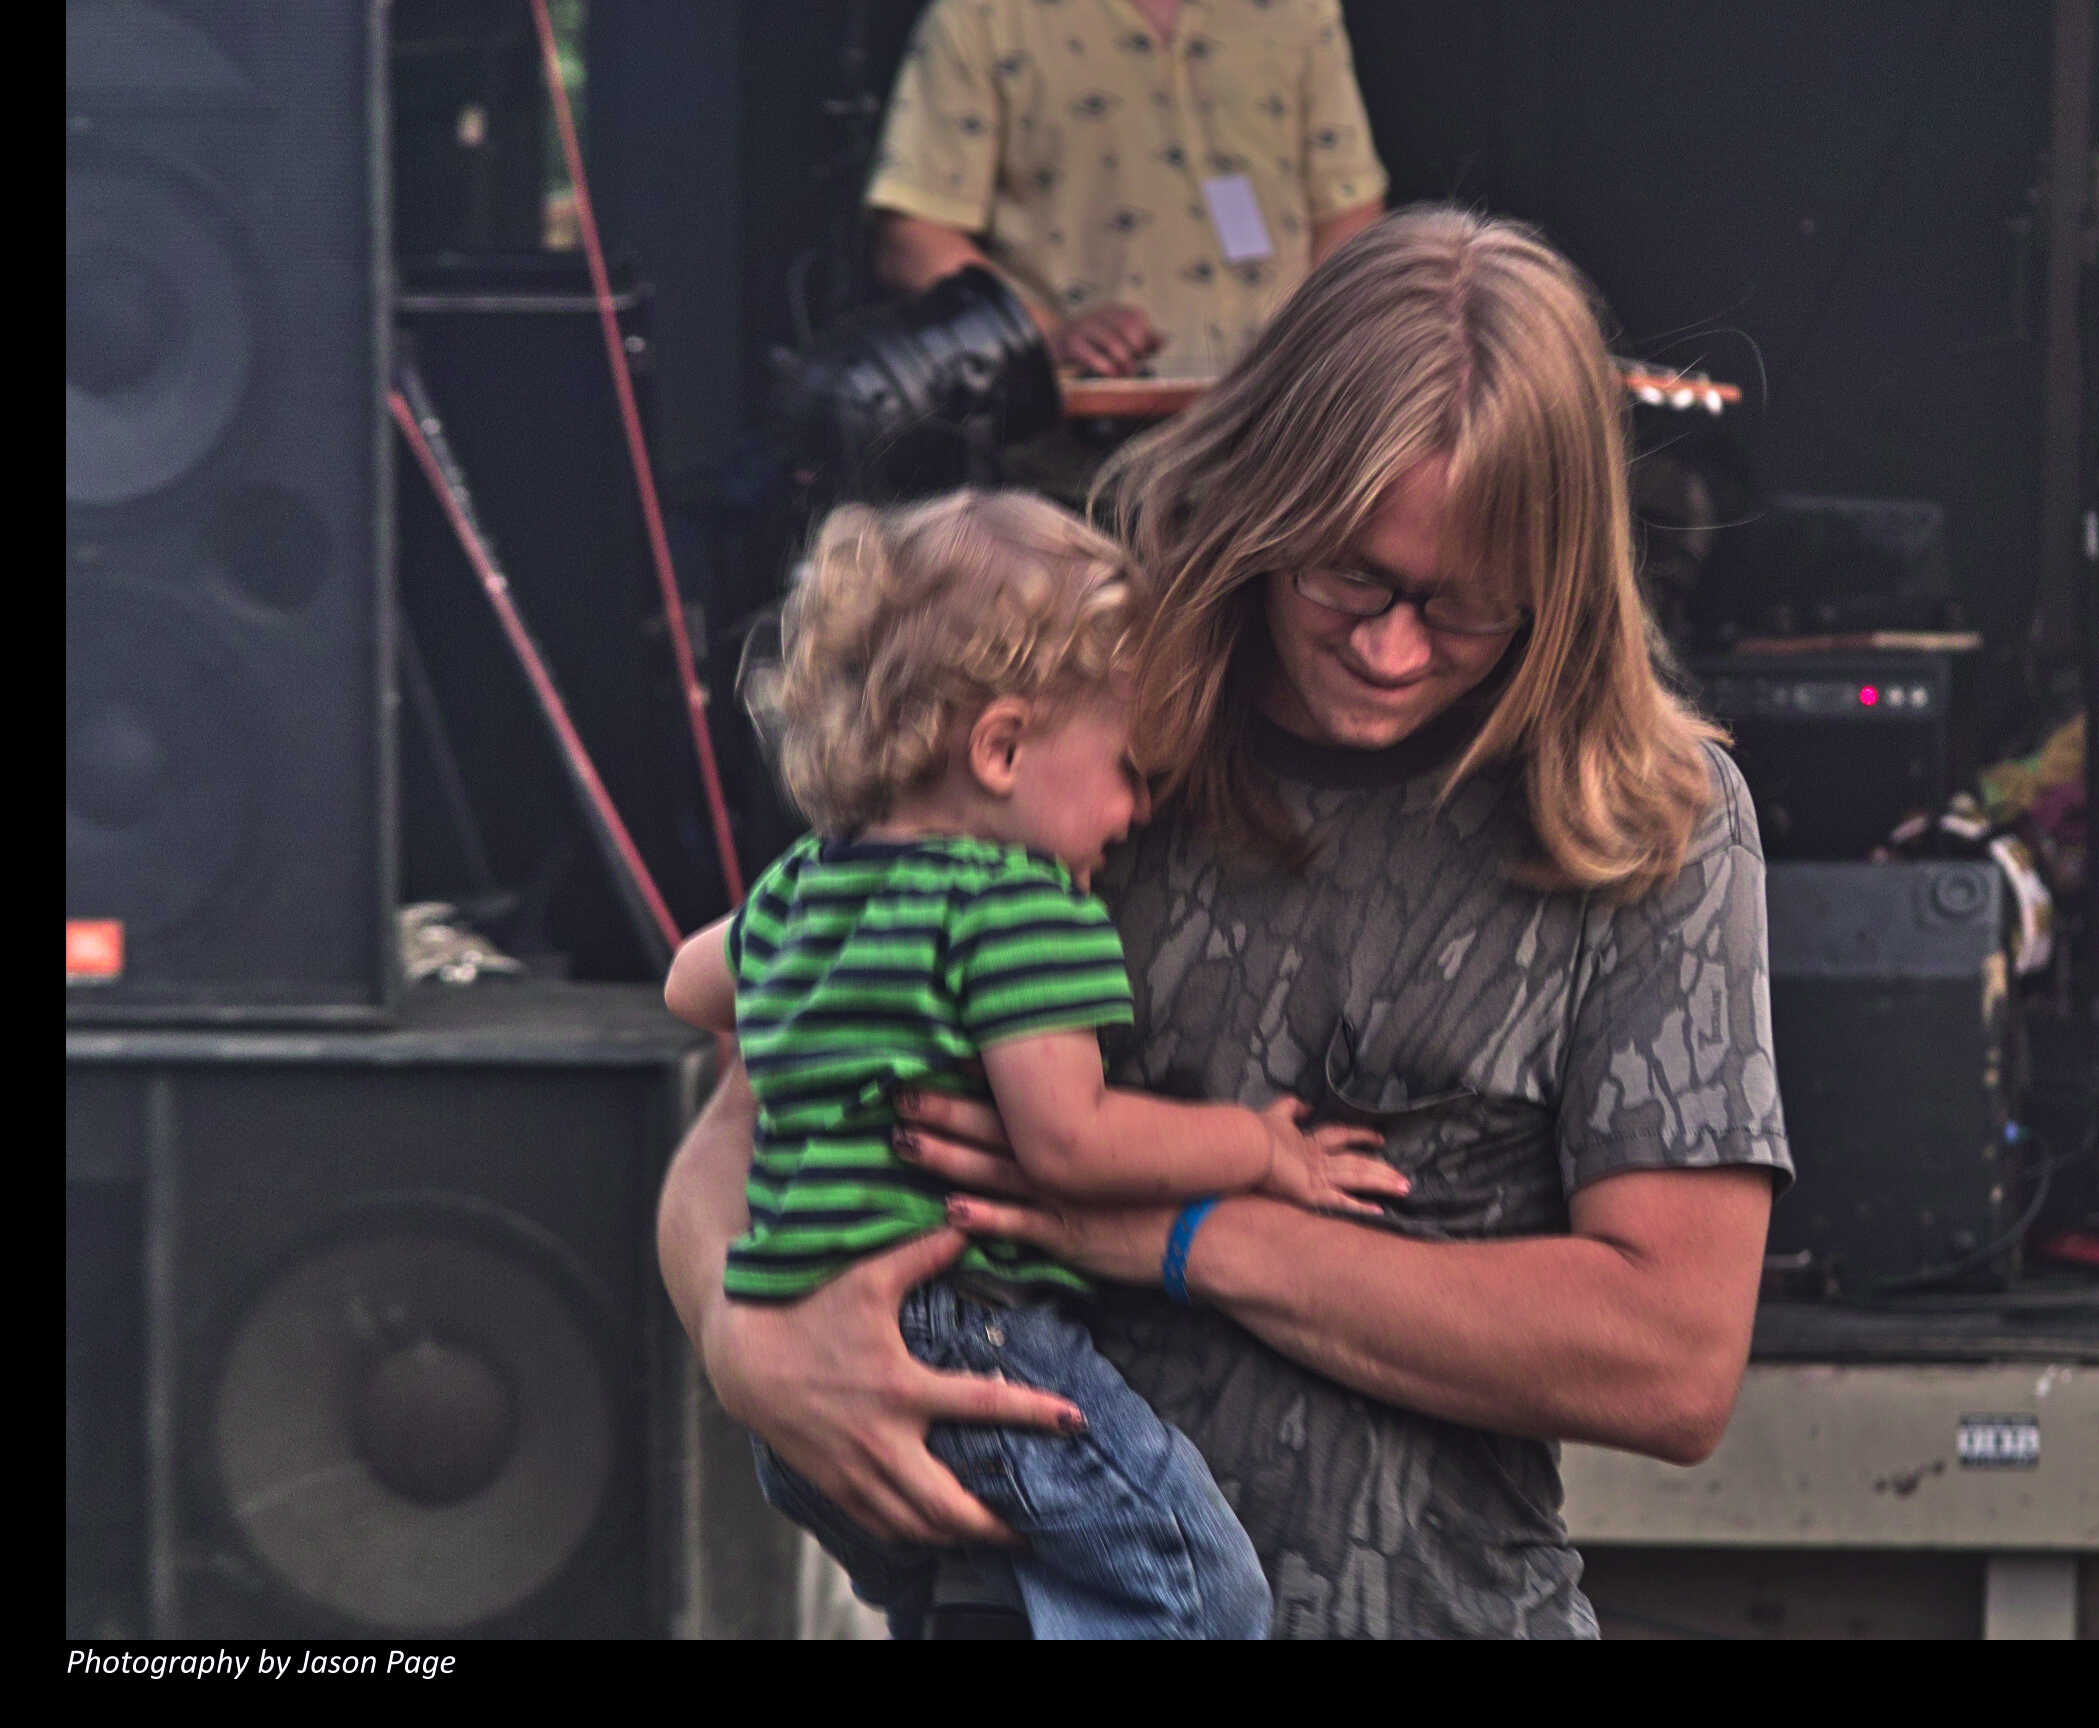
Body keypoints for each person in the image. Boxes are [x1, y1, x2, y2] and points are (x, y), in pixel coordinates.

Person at [658, 207, 1791, 1638]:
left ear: (1559, 583)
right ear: (1266, 502)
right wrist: (746, 1341)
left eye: (1464, 607)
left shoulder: (1651, 817)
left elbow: (1671, 1360)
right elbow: (739, 1129)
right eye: (1348, 577)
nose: (1391, 649)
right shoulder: (1077, 730)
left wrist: (1187, 1234)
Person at [665, 489, 1406, 1637]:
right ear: (1002, 747)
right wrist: (1259, 1148)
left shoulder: (806, 887)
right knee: (1202, 1589)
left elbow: (687, 983)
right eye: (1129, 768)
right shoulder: (1021, 909)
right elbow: (1070, 1141)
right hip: (963, 1337)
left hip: (804, 1374)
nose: (1141, 809)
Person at [867, 0, 1388, 384]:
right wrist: (1045, 335)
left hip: (1273, 419)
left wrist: (1312, 355)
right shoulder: (983, 11)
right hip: (1088, 426)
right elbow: (913, 237)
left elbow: (1349, 208)